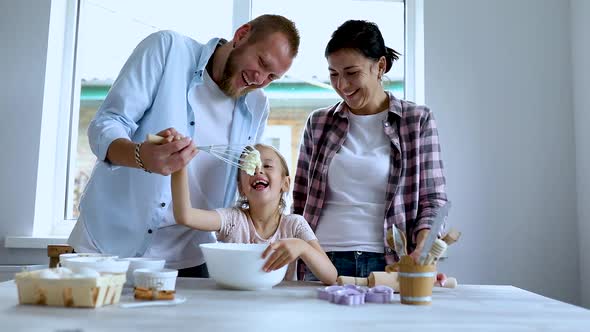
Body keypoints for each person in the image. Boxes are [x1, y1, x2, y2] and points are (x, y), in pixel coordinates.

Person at [68, 15, 300, 278]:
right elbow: (106, 124)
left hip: (190, 260)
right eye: (261, 62)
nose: (259, 80)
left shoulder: (258, 105)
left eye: (272, 77)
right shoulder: (167, 50)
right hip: (108, 247)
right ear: (242, 34)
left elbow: (242, 182)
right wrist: (141, 156)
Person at [293, 20, 448, 282]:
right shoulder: (319, 123)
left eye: (351, 73)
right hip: (321, 261)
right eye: (333, 74)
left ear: (380, 66)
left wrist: (423, 252)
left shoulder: (416, 120)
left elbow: (433, 201)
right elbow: (299, 200)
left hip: (389, 264)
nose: (342, 84)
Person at [170, 142, 337, 284]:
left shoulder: (294, 225)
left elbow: (331, 276)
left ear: (285, 183)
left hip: (279, 309)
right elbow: (185, 215)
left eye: (267, 165)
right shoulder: (232, 220)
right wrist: (179, 165)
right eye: (250, 167)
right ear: (241, 188)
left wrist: (303, 247)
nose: (258, 170)